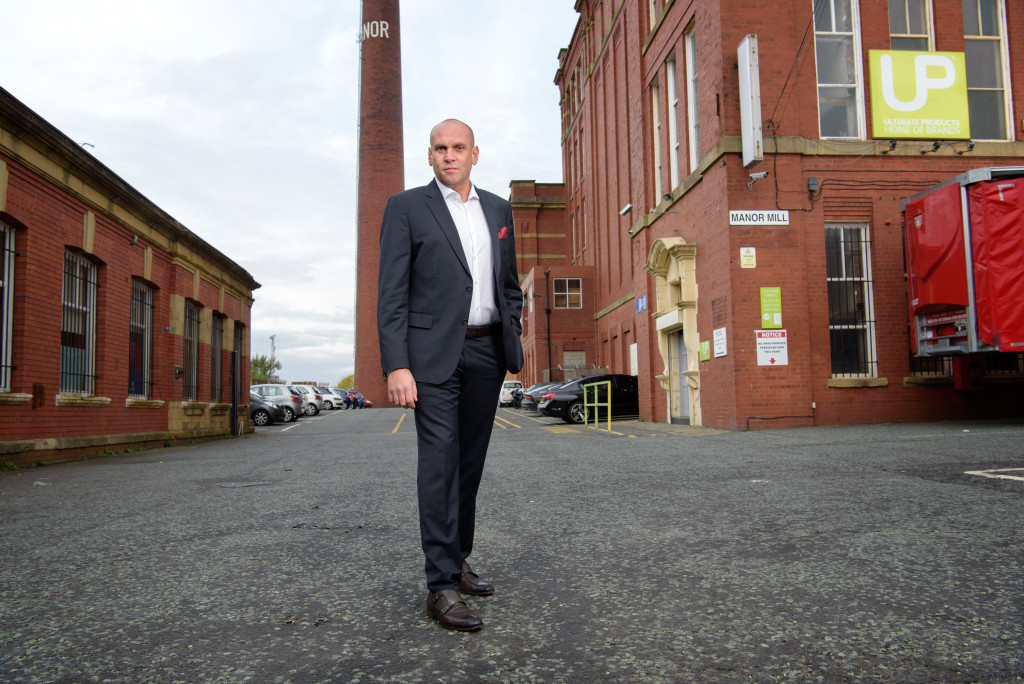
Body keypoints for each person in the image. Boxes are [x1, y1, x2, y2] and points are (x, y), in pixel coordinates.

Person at [377, 119, 524, 631]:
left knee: (468, 464)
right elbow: (391, 291)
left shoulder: (500, 211)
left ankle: (457, 561)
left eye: (458, 147)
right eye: (440, 148)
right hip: (431, 356)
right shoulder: (406, 207)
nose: (449, 156)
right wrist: (397, 363)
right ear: (431, 155)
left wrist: (513, 332)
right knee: (439, 463)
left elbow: (509, 284)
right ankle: (439, 585)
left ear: (475, 154)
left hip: (487, 353)